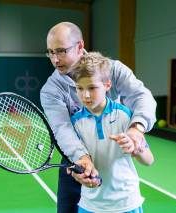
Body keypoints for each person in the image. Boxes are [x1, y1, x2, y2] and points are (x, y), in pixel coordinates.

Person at [40, 22, 156, 213]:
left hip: (113, 160)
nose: (55, 59)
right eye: (50, 52)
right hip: (76, 158)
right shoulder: (51, 90)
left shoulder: (114, 70)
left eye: (61, 51)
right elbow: (63, 129)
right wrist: (82, 158)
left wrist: (136, 130)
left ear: (79, 46)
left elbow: (142, 96)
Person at [69, 51, 154, 212]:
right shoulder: (75, 123)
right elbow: (77, 163)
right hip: (90, 205)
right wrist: (77, 172)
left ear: (108, 85)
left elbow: (148, 160)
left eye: (92, 88)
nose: (85, 95)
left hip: (127, 204)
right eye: (79, 88)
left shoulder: (125, 116)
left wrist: (136, 147)